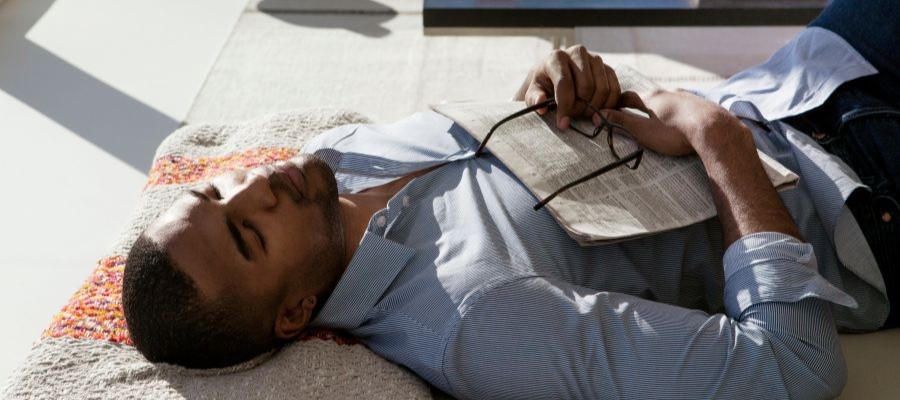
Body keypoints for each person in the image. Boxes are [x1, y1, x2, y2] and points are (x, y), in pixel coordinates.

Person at [122, 0, 898, 397]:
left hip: (802, 78)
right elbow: (789, 371)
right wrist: (717, 140)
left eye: (217, 190)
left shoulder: (335, 160)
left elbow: (510, 170)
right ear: (292, 314)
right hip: (865, 196)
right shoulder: (475, 318)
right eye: (248, 237)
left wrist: (550, 96)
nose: (254, 188)